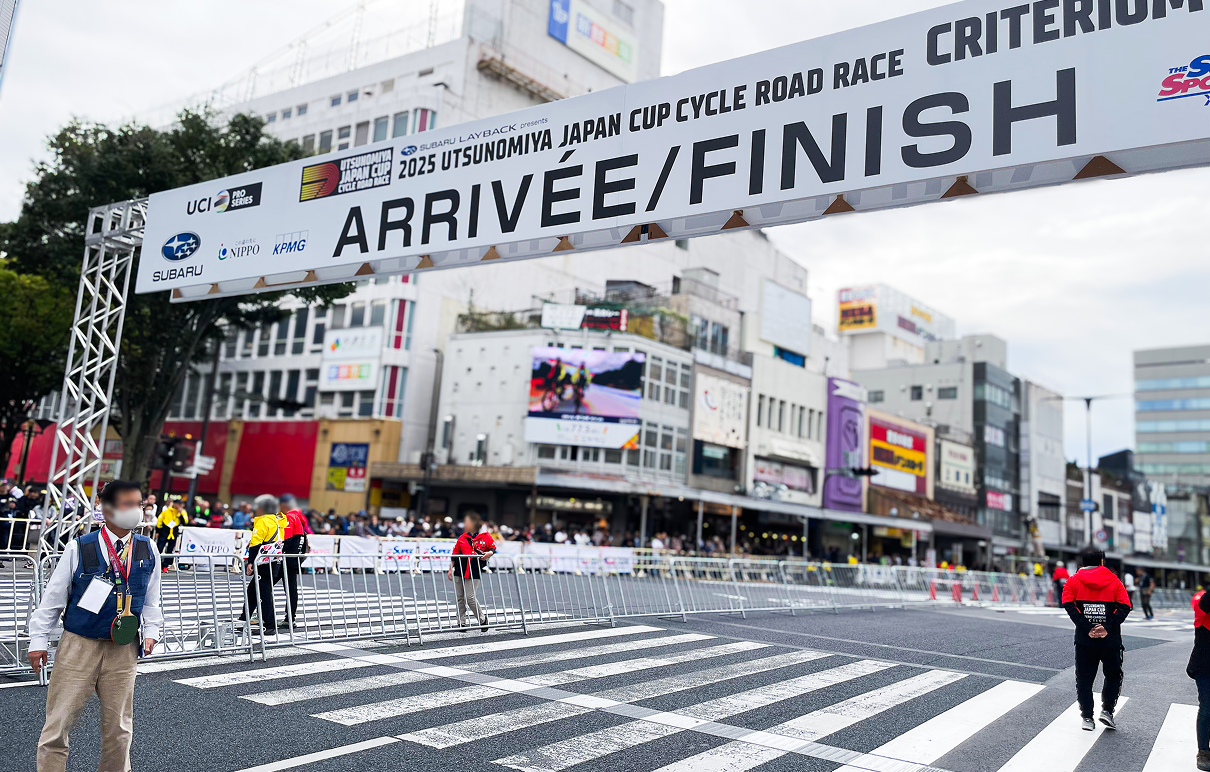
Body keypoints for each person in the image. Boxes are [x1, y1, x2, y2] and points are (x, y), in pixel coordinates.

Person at [27, 480, 162, 772]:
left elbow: (152, 598)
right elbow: (53, 599)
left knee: (119, 728)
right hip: (79, 645)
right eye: (127, 504)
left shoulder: (147, 547)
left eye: (138, 504)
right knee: (58, 724)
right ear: (106, 507)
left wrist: (152, 631)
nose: (135, 510)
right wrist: (38, 640)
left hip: (123, 648)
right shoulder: (80, 547)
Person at [1062, 549, 1132, 731]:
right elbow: (1125, 606)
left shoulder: (1072, 581)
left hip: (1085, 640)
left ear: (1083, 562)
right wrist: (1107, 627)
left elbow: (1068, 605)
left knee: (1084, 678)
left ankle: (1087, 717)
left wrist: (1087, 627)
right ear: (1101, 562)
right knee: (1113, 675)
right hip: (1110, 640)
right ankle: (1107, 711)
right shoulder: (1114, 581)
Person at [238, 495, 287, 636]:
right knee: (253, 591)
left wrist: (250, 562)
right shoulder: (278, 521)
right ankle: (244, 620)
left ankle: (269, 625)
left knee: (263, 594)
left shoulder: (263, 521)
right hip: (274, 560)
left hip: (263, 561)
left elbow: (256, 543)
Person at [448, 512, 495, 632]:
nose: (465, 524)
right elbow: (455, 553)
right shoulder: (462, 537)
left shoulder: (485, 536)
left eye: (467, 522)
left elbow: (492, 548)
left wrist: (488, 553)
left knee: (470, 597)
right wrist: (450, 569)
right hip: (460, 569)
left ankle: (482, 620)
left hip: (474, 570)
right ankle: (461, 623)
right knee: (460, 597)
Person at [279, 494, 312, 630]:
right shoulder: (301, 520)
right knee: (291, 590)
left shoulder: (289, 518)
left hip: (283, 560)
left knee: (263, 585)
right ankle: (290, 618)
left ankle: (262, 616)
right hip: (295, 560)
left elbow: (285, 540)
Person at [1187, 587, 1210, 770]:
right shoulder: (1201, 600)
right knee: (1207, 707)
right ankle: (1203, 751)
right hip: (1205, 665)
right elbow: (1202, 604)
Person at [154, 498, 189, 572]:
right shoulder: (166, 511)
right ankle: (155, 564)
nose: (179, 506)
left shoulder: (182, 512)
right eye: (178, 504)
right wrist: (157, 531)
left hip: (174, 533)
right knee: (159, 548)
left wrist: (180, 514)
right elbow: (159, 520)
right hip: (164, 532)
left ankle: (165, 566)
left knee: (170, 550)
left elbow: (185, 522)